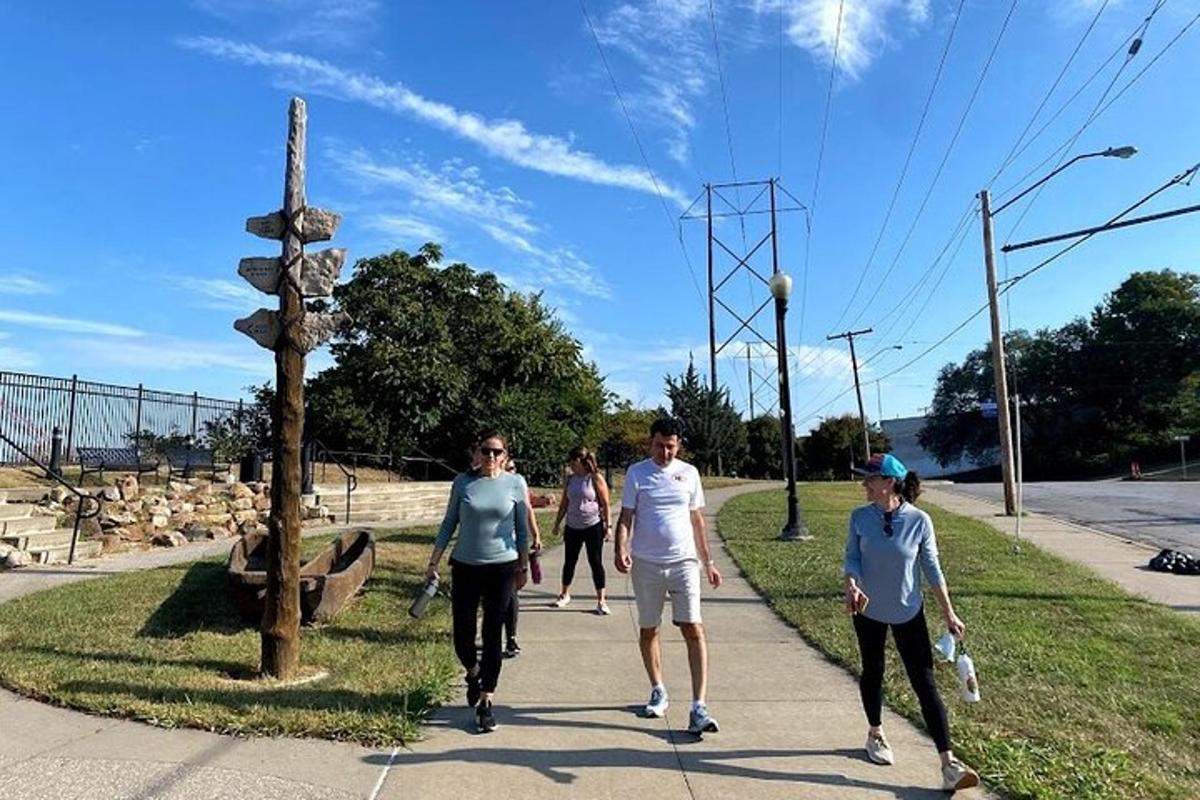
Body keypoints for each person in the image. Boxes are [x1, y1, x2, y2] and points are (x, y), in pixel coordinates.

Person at [843, 452, 980, 792]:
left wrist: (949, 613)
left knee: (925, 682)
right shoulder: (859, 518)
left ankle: (948, 763)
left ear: (889, 482)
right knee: (873, 671)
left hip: (908, 610)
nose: (864, 484)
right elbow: (852, 557)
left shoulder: (920, 521)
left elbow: (932, 568)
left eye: (870, 479)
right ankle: (875, 733)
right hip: (868, 610)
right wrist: (852, 583)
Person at [613, 417, 722, 736]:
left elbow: (697, 519)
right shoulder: (637, 472)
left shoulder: (689, 473)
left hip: (684, 562)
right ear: (651, 443)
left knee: (693, 628)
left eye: (671, 446)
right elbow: (625, 517)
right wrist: (621, 548)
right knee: (649, 629)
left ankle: (699, 706)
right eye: (660, 446)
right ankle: (658, 688)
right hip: (646, 563)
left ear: (679, 445)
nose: (665, 452)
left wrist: (709, 561)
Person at [427, 432, 530, 733]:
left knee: (492, 634)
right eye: (485, 451)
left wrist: (522, 565)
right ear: (477, 453)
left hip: (502, 567)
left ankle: (486, 701)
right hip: (465, 566)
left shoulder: (515, 484)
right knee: (462, 635)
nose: (490, 457)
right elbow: (449, 523)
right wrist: (434, 560)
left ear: (506, 456)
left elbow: (521, 530)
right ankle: (473, 674)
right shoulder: (462, 483)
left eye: (496, 452)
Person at [550, 446, 611, 614]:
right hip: (572, 525)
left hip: (593, 525)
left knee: (595, 562)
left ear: (582, 461)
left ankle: (601, 600)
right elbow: (564, 502)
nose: (571, 464)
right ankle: (564, 594)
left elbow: (605, 502)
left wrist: (608, 525)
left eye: (573, 461)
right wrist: (557, 523)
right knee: (569, 561)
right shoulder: (570, 479)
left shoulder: (595, 478)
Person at [502, 457, 542, 657]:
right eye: (508, 468)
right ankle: (490, 634)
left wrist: (536, 535)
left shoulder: (518, 483)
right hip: (491, 550)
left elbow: (528, 512)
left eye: (514, 467)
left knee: (511, 592)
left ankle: (511, 638)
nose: (512, 471)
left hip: (514, 547)